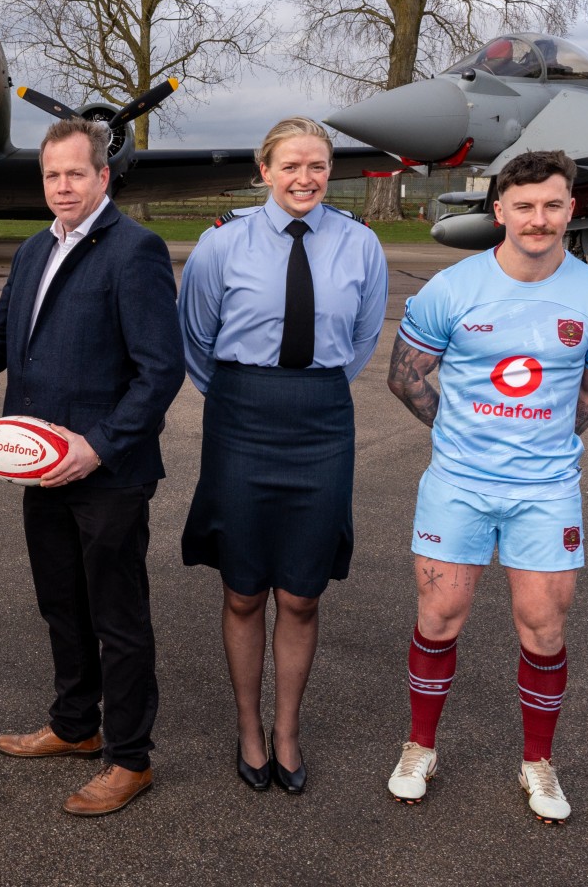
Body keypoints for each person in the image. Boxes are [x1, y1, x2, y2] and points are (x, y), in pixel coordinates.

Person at [0, 117, 185, 817]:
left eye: (75, 173)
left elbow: (160, 372)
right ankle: (75, 726)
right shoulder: (34, 250)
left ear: (104, 176)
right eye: (51, 175)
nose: (62, 186)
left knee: (118, 617)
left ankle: (129, 759)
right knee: (61, 604)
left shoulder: (136, 251)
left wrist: (96, 446)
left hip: (107, 472)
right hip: (38, 466)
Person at [385, 149, 588, 823]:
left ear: (571, 209)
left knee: (543, 629)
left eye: (552, 205)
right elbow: (406, 377)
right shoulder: (451, 290)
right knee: (439, 617)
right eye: (523, 206)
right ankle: (420, 747)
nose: (538, 218)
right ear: (499, 211)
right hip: (458, 484)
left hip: (546, 491)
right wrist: (460, 431)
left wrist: (552, 437)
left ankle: (538, 763)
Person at [178, 116, 387, 795]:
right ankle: (247, 728)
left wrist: (308, 392)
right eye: (290, 166)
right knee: (243, 590)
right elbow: (196, 336)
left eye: (318, 167)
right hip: (240, 414)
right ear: (263, 170)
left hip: (322, 419)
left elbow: (360, 340)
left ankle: (288, 731)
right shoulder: (222, 245)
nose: (305, 179)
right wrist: (247, 394)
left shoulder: (361, 245)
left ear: (332, 173)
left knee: (301, 592)